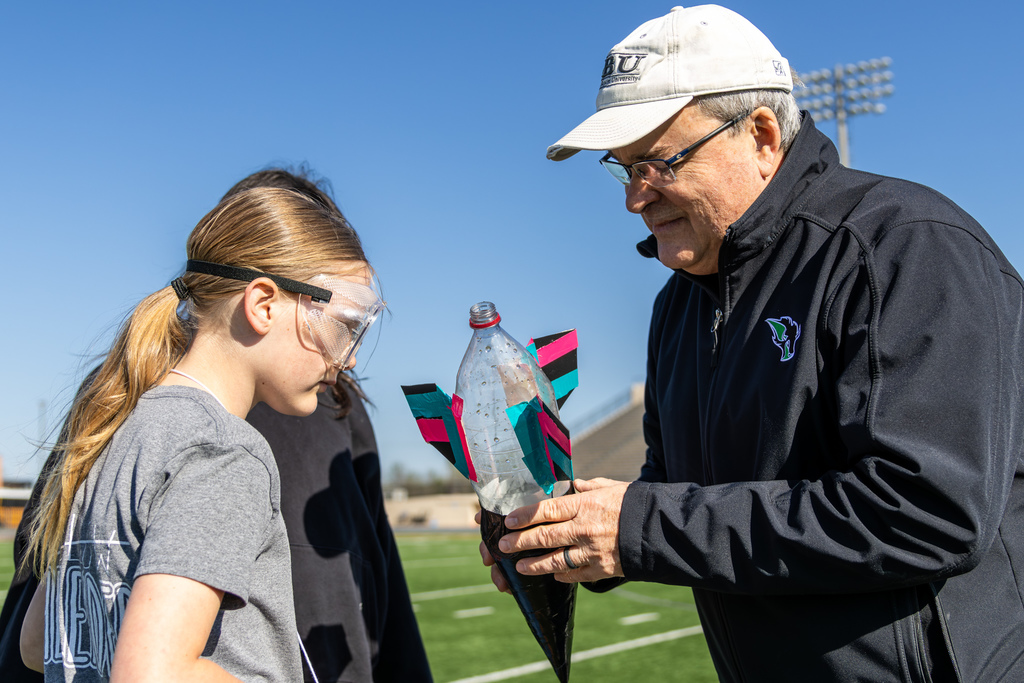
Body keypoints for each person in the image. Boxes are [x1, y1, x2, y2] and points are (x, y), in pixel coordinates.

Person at [481, 5, 1024, 682]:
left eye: (656, 163)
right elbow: (681, 493)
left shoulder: (906, 248)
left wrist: (637, 527)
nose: (634, 199)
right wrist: (567, 532)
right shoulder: (677, 305)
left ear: (762, 134)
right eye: (623, 170)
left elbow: (928, 510)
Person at [1, 168, 432, 683]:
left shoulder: (111, 426)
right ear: (263, 304)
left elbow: (36, 643)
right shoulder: (225, 453)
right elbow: (151, 672)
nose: (353, 358)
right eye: (345, 325)